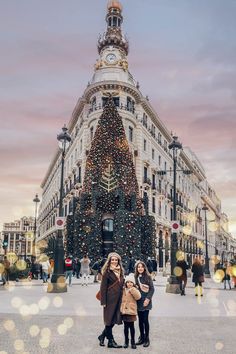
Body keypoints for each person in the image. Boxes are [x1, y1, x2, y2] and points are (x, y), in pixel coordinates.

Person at [98, 252, 124, 349]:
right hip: (109, 299)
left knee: (113, 319)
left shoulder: (121, 271)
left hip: (119, 299)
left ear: (118, 261)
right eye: (112, 260)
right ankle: (111, 341)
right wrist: (103, 301)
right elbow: (103, 287)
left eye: (116, 260)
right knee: (109, 320)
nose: (114, 261)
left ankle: (102, 336)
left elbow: (122, 283)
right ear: (109, 261)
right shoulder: (107, 272)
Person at [135, 260, 155, 347]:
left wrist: (148, 299)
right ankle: (141, 337)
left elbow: (152, 289)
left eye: (141, 267)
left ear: (144, 268)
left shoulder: (148, 277)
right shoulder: (135, 277)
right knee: (140, 320)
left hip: (146, 302)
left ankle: (147, 338)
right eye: (138, 267)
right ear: (136, 268)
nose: (140, 268)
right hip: (138, 302)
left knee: (145, 320)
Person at [120, 273, 141, 349]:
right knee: (125, 327)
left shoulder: (134, 289)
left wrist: (133, 290)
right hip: (125, 311)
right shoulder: (123, 289)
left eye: (131, 282)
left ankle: (133, 341)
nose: (129, 284)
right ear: (126, 283)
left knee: (131, 327)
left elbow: (138, 297)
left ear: (133, 283)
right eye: (128, 282)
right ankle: (126, 341)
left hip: (131, 311)